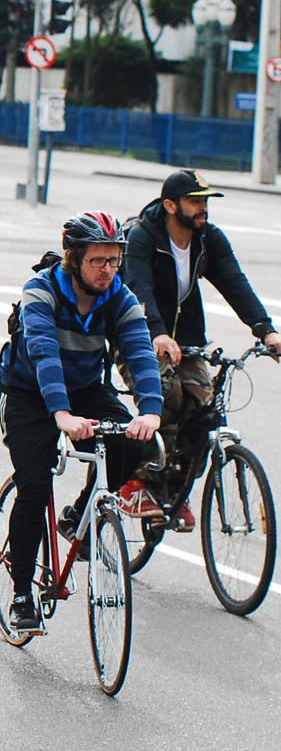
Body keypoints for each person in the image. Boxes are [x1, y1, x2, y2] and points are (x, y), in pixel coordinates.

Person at [0, 211, 163, 633]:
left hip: (86, 389)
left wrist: (150, 410)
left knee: (131, 443)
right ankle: (20, 595)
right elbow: (43, 353)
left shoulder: (119, 296)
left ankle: (80, 514)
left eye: (115, 260)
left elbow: (139, 350)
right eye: (98, 261)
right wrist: (62, 414)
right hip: (31, 394)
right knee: (34, 486)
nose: (108, 270)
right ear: (74, 258)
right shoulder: (41, 290)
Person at [117, 170, 281, 530]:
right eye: (195, 201)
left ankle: (175, 493)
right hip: (138, 336)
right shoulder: (143, 237)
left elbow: (234, 282)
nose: (203, 208)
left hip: (187, 340)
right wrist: (157, 334)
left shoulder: (208, 239)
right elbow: (138, 288)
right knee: (165, 393)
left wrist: (266, 331)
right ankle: (135, 483)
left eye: (206, 201)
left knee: (203, 406)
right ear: (171, 205)